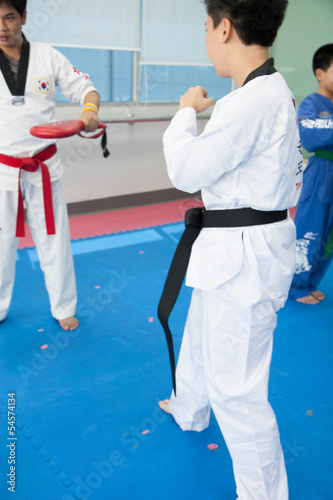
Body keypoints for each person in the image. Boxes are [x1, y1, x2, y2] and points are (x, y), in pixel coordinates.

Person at [158, 1, 303, 498]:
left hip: (244, 258)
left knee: (238, 392)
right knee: (199, 334)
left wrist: (183, 112)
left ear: (224, 29)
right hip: (233, 249)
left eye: (205, 27)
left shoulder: (251, 102)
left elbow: (186, 172)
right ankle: (190, 409)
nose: (205, 37)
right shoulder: (263, 92)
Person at [0, 0, 101, 330]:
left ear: (24, 17)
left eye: (10, 17)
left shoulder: (47, 56)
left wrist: (88, 111)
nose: (3, 26)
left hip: (43, 166)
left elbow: (86, 88)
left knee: (54, 239)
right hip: (3, 170)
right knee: (1, 244)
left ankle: (63, 307)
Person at [289, 44, 333, 305]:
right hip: (320, 173)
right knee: (310, 229)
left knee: (329, 238)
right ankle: (296, 286)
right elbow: (309, 135)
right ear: (320, 74)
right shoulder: (311, 103)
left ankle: (312, 282)